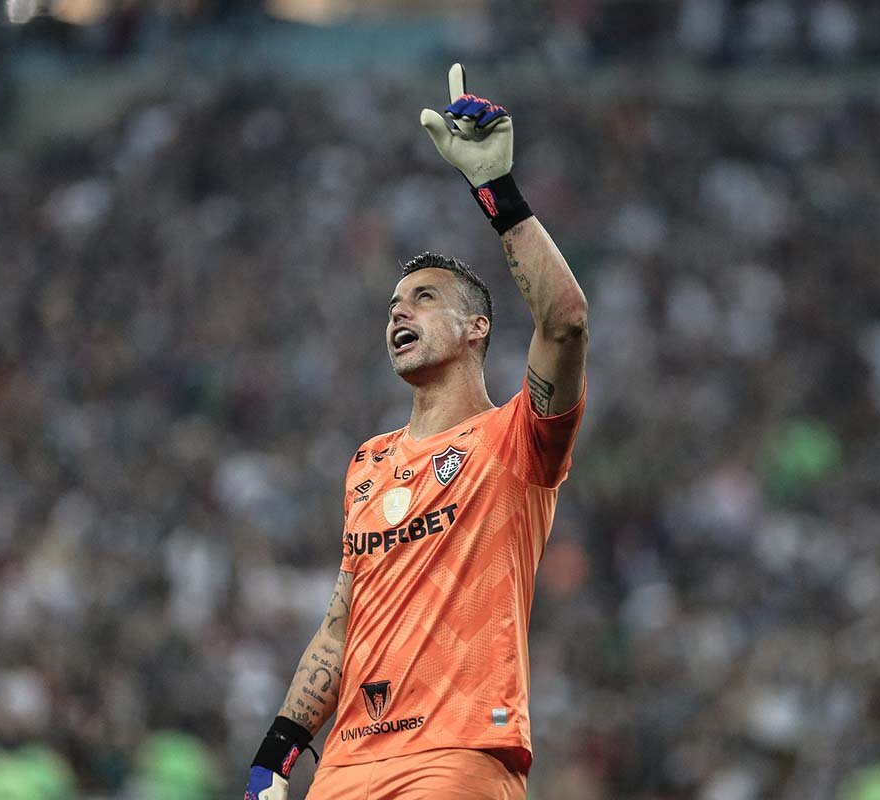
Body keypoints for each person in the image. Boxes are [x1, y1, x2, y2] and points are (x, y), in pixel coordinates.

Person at [244, 63, 589, 800]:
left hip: (456, 755)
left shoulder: (517, 441)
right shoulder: (368, 464)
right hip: (344, 770)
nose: (399, 312)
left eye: (424, 298)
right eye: (394, 305)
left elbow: (565, 320)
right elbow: (340, 626)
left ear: (476, 327)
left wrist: (496, 189)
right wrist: (274, 759)